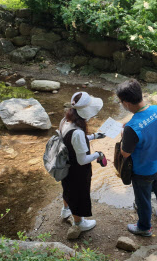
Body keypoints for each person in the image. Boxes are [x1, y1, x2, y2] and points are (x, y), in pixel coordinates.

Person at [117, 79, 157, 237]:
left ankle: (144, 227)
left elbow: (125, 153)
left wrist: (122, 137)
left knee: (143, 199)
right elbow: (149, 124)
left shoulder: (132, 129)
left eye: (121, 102)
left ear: (126, 103)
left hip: (143, 171)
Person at [59, 91, 106, 232]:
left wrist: (94, 136)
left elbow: (73, 139)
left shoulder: (65, 121)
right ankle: (79, 223)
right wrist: (98, 154)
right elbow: (82, 160)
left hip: (65, 165)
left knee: (67, 188)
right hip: (76, 169)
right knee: (78, 193)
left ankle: (65, 210)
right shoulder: (78, 133)